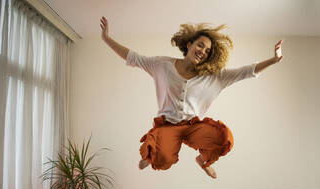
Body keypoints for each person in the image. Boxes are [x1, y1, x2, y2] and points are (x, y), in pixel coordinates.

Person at [100, 16, 283, 179]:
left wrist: (273, 60)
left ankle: (203, 160)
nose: (203, 51)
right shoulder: (162, 65)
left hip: (193, 126)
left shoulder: (213, 77)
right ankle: (153, 152)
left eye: (208, 51)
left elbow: (245, 72)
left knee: (224, 137)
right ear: (189, 44)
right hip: (167, 126)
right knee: (163, 161)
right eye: (200, 45)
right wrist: (107, 38)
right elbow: (133, 58)